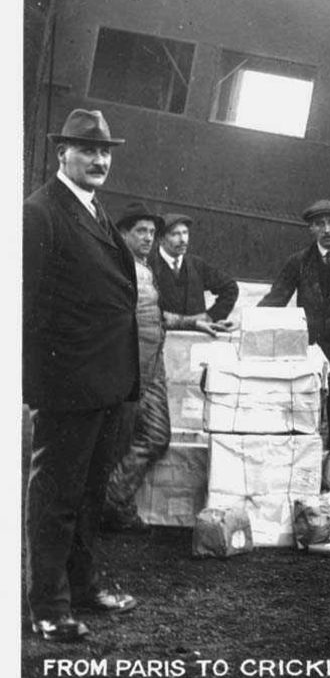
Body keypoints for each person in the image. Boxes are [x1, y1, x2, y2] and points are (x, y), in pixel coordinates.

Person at [23, 109, 140, 642]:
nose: (99, 160)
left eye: (105, 152)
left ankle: (85, 584)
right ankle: (47, 606)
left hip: (107, 382)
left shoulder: (93, 210)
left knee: (91, 492)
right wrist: (34, 385)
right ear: (61, 154)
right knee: (57, 497)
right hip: (68, 385)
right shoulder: (41, 213)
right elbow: (22, 308)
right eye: (87, 150)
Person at [103, 203, 223, 532]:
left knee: (146, 437)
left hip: (151, 367)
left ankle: (115, 501)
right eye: (140, 231)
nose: (148, 237)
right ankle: (113, 500)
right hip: (131, 369)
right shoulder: (118, 268)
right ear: (123, 234)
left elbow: (157, 316)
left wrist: (193, 322)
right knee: (149, 436)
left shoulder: (143, 268)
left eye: (152, 232)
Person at [260, 200, 330, 449]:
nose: (327, 230)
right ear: (311, 229)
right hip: (308, 359)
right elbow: (276, 298)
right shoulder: (298, 262)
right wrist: (251, 323)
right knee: (303, 427)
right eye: (319, 224)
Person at [150, 211, 239, 327]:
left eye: (185, 233)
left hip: (197, 337)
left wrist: (211, 316)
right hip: (164, 337)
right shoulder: (149, 266)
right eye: (175, 234)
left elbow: (230, 287)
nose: (183, 239)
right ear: (161, 239)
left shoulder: (196, 264)